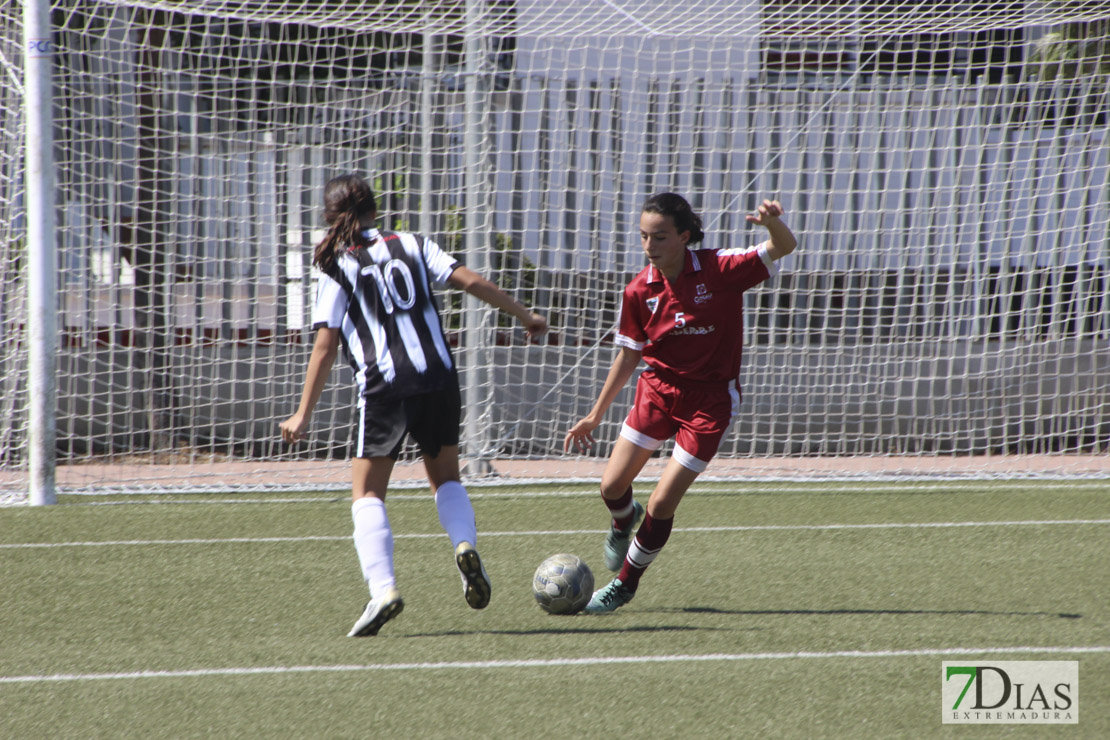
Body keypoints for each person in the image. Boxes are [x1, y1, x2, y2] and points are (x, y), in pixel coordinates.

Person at [281, 174, 547, 636]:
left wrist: (303, 413)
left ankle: (383, 590)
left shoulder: (339, 262)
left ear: (330, 216)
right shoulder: (414, 243)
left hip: (386, 387)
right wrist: (526, 315)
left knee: (367, 494)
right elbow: (473, 282)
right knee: (446, 478)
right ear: (375, 209)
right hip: (439, 379)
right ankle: (463, 545)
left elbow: (325, 346)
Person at [564, 193, 796, 613]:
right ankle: (622, 521)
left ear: (684, 237)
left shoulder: (718, 268)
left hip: (709, 402)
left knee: (662, 503)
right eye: (643, 237)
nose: (649, 246)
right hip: (658, 390)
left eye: (660, 237)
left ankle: (624, 585)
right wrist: (595, 415)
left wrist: (771, 223)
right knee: (612, 487)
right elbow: (630, 353)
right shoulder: (638, 290)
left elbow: (783, 247)